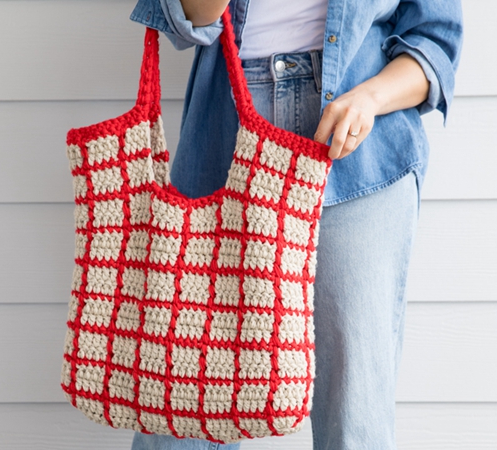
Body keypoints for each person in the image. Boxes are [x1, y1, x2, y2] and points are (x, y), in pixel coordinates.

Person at [128, 0, 463, 449]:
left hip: (359, 149)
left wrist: (371, 98)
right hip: (221, 138)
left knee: (354, 409)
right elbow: (185, 21)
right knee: (181, 401)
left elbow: (436, 38)